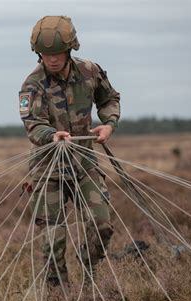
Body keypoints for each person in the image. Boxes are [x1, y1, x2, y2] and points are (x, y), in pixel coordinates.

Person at [19, 16, 121, 286]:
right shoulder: (32, 84)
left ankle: (89, 272)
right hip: (47, 169)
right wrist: (52, 135)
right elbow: (33, 124)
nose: (51, 59)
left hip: (84, 165)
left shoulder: (89, 71)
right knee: (54, 239)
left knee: (103, 226)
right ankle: (57, 297)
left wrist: (108, 124)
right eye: (45, 54)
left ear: (70, 49)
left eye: (57, 53)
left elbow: (109, 98)